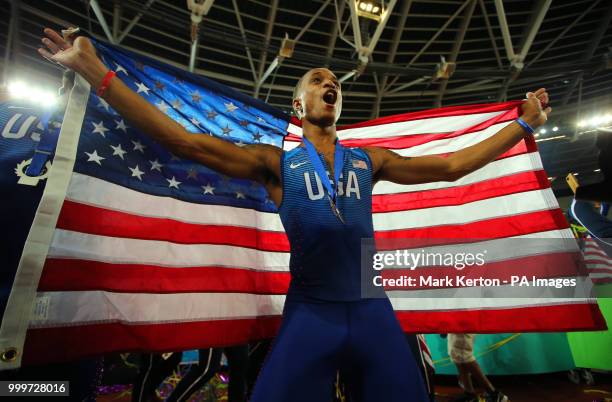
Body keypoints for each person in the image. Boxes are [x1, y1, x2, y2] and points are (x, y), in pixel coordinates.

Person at [38, 28, 550, 402]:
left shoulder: (370, 161)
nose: (330, 82)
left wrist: (521, 128)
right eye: (318, 79)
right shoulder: (274, 163)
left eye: (335, 81)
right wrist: (94, 72)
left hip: (374, 312)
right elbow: (182, 141)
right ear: (298, 104)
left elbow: (453, 165)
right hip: (311, 314)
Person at [447, 334, 508, 402]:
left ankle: (495, 395)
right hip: (455, 326)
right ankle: (470, 394)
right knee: (456, 354)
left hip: (463, 325)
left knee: (464, 354)